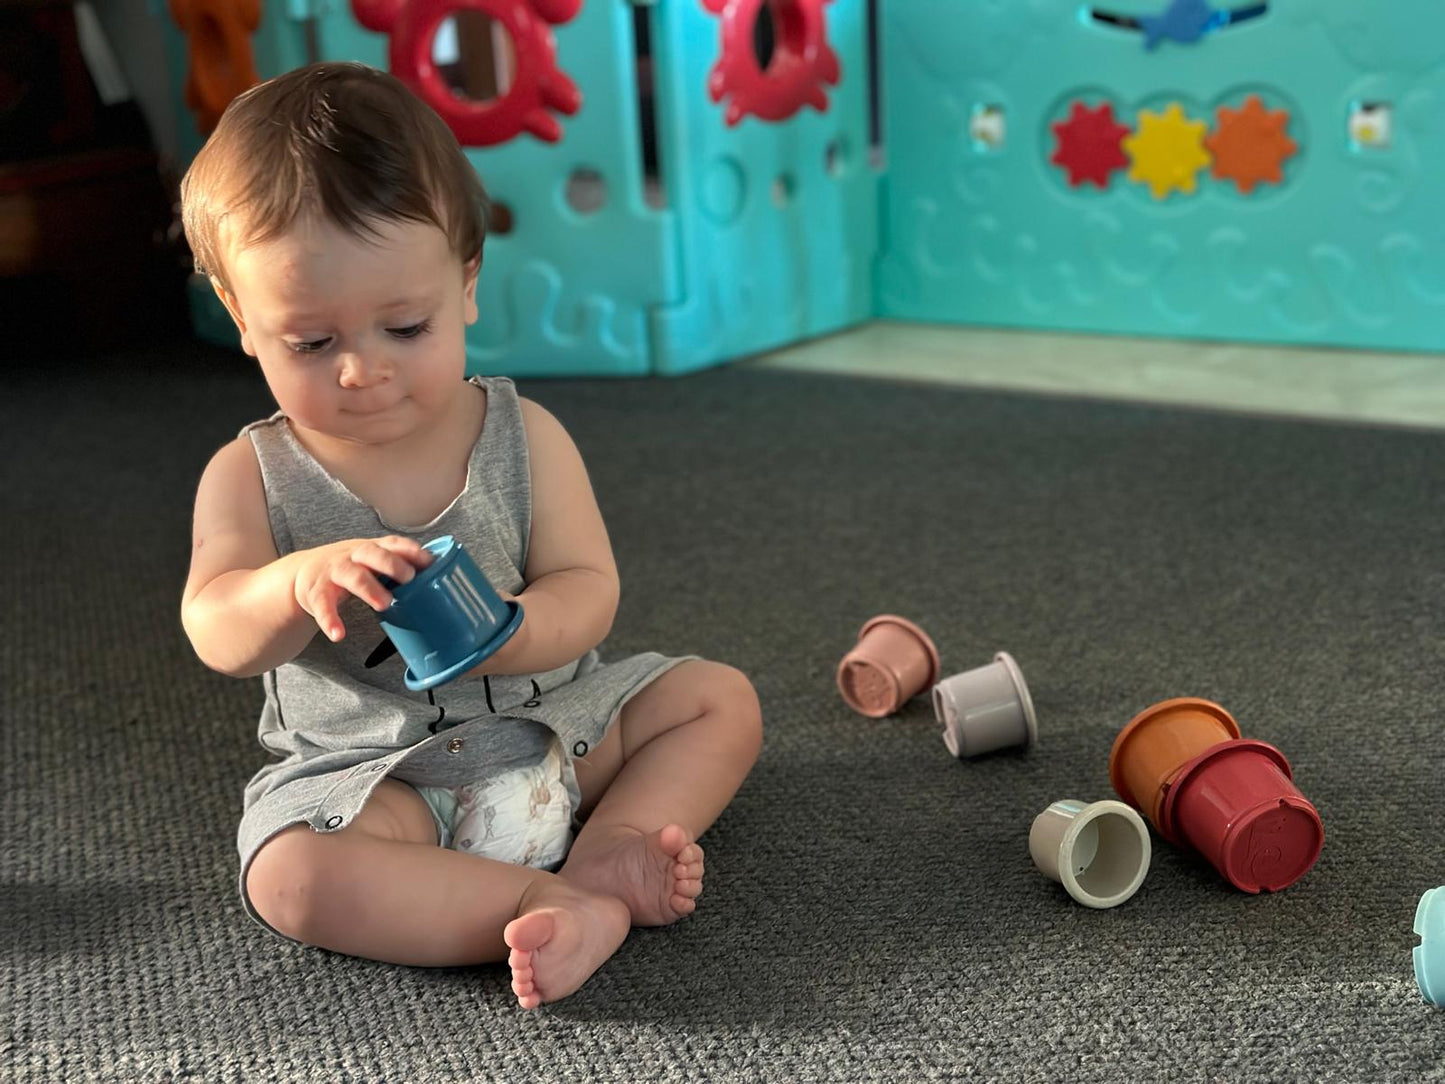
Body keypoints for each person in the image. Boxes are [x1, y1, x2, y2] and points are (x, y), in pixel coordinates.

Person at [178, 61, 762, 1010]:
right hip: (384, 784)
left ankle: (619, 837)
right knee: (289, 877)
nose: (362, 371)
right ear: (245, 320)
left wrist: (517, 630)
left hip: (562, 737)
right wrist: (291, 586)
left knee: (715, 699)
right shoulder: (247, 476)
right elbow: (215, 628)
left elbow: (588, 584)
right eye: (311, 344)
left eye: (406, 326)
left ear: (467, 287)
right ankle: (549, 901)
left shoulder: (523, 435)